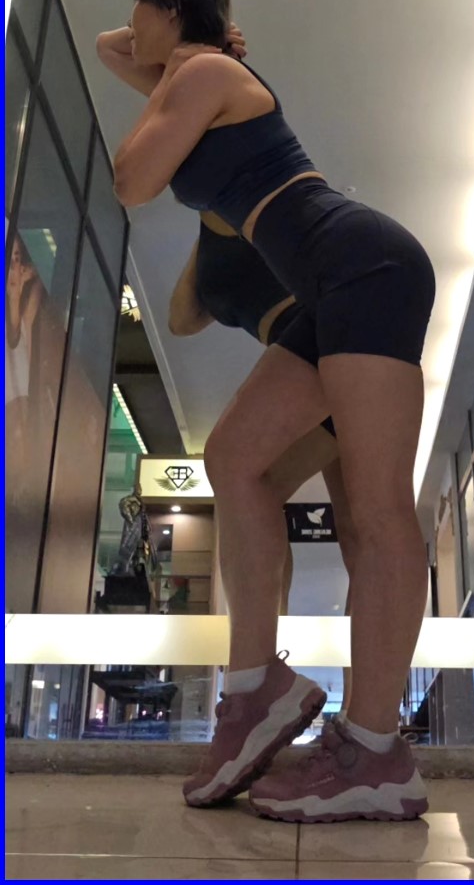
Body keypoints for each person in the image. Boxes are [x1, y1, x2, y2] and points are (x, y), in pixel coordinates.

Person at [100, 0, 434, 822]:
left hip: (368, 267)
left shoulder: (206, 75)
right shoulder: (196, 71)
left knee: (376, 510)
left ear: (168, 9)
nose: (130, 26)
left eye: (140, 8)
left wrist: (190, 55)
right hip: (334, 284)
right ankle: (258, 690)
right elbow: (110, 50)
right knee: (236, 459)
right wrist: (179, 47)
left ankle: (375, 752)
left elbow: (131, 179)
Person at [167, 180, 356, 702]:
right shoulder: (217, 236)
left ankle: (263, 677)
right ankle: (349, 708)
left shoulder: (276, 207)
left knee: (253, 487)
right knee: (355, 531)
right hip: (328, 354)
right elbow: (181, 319)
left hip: (325, 344)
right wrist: (209, 211)